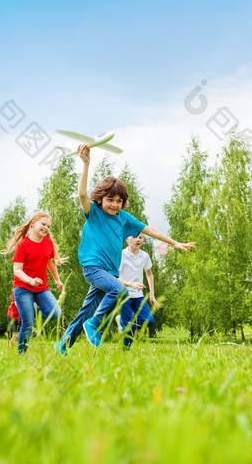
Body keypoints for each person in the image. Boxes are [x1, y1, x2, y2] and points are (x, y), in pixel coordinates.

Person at [55, 144, 195, 353]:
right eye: (110, 200)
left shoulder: (123, 218)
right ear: (100, 199)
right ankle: (94, 325)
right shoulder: (93, 212)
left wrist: (174, 242)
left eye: (119, 201)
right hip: (93, 267)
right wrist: (86, 164)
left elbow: (149, 229)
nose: (114, 204)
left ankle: (62, 346)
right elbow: (82, 194)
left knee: (87, 311)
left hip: (108, 272)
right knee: (119, 290)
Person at [2, 211, 65, 354]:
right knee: (27, 325)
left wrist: (57, 279)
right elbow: (17, 270)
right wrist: (30, 280)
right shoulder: (23, 244)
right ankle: (21, 354)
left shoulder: (48, 243)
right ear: (33, 224)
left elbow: (51, 262)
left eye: (48, 226)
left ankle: (29, 311)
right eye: (43, 224)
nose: (46, 228)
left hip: (41, 288)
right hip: (23, 288)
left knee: (56, 313)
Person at [116, 233, 158, 350]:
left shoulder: (144, 256)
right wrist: (131, 284)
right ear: (127, 239)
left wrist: (152, 294)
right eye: (134, 237)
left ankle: (123, 324)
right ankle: (125, 352)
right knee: (128, 326)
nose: (138, 240)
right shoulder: (122, 255)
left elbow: (149, 274)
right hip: (124, 295)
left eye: (141, 237)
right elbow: (116, 277)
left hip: (138, 296)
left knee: (149, 320)